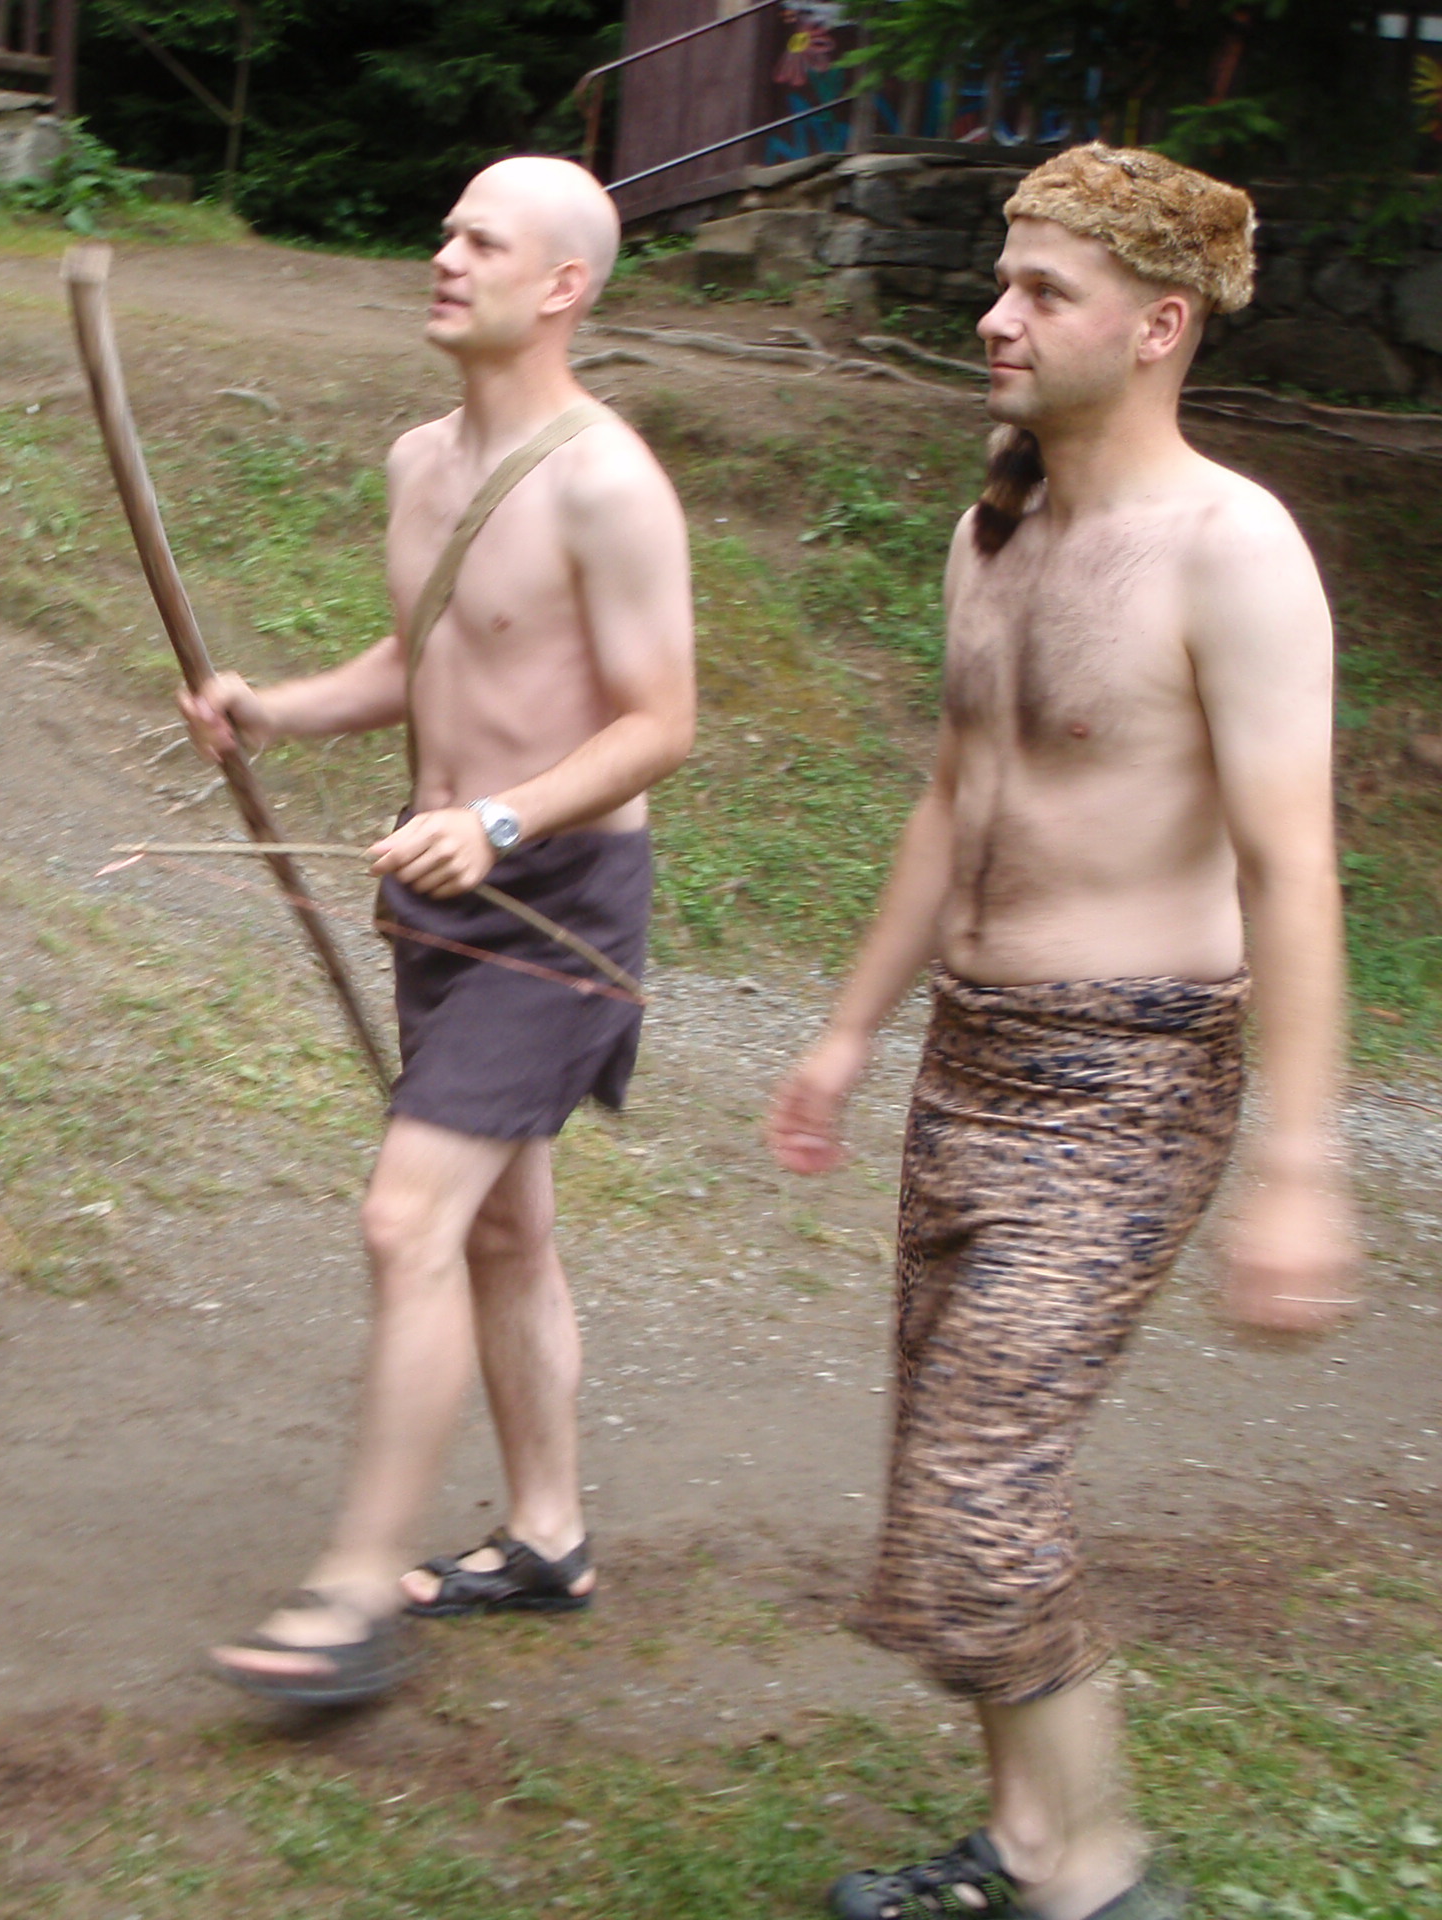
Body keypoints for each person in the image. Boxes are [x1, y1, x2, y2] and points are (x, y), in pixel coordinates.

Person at [765, 145, 1359, 1920]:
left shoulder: (1233, 550)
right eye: (1002, 278)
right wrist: (848, 1034)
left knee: (978, 1487)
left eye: (1044, 291)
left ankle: (1101, 1877)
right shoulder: (996, 530)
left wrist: (1302, 1165)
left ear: (1159, 326)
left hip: (1131, 1073)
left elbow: (1294, 869)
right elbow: (956, 798)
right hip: (970, 1056)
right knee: (948, 1466)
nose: (994, 315)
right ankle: (1029, 1840)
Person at [180, 156, 696, 1704]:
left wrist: (503, 822)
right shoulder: (420, 462)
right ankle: (548, 1537)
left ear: (564, 286)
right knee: (500, 1224)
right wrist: (273, 708)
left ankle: (354, 1592)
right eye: (447, 227)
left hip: (557, 902)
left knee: (408, 1220)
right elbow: (426, 661)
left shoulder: (608, 482)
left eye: (484, 238)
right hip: (437, 894)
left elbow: (661, 723)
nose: (445, 252)